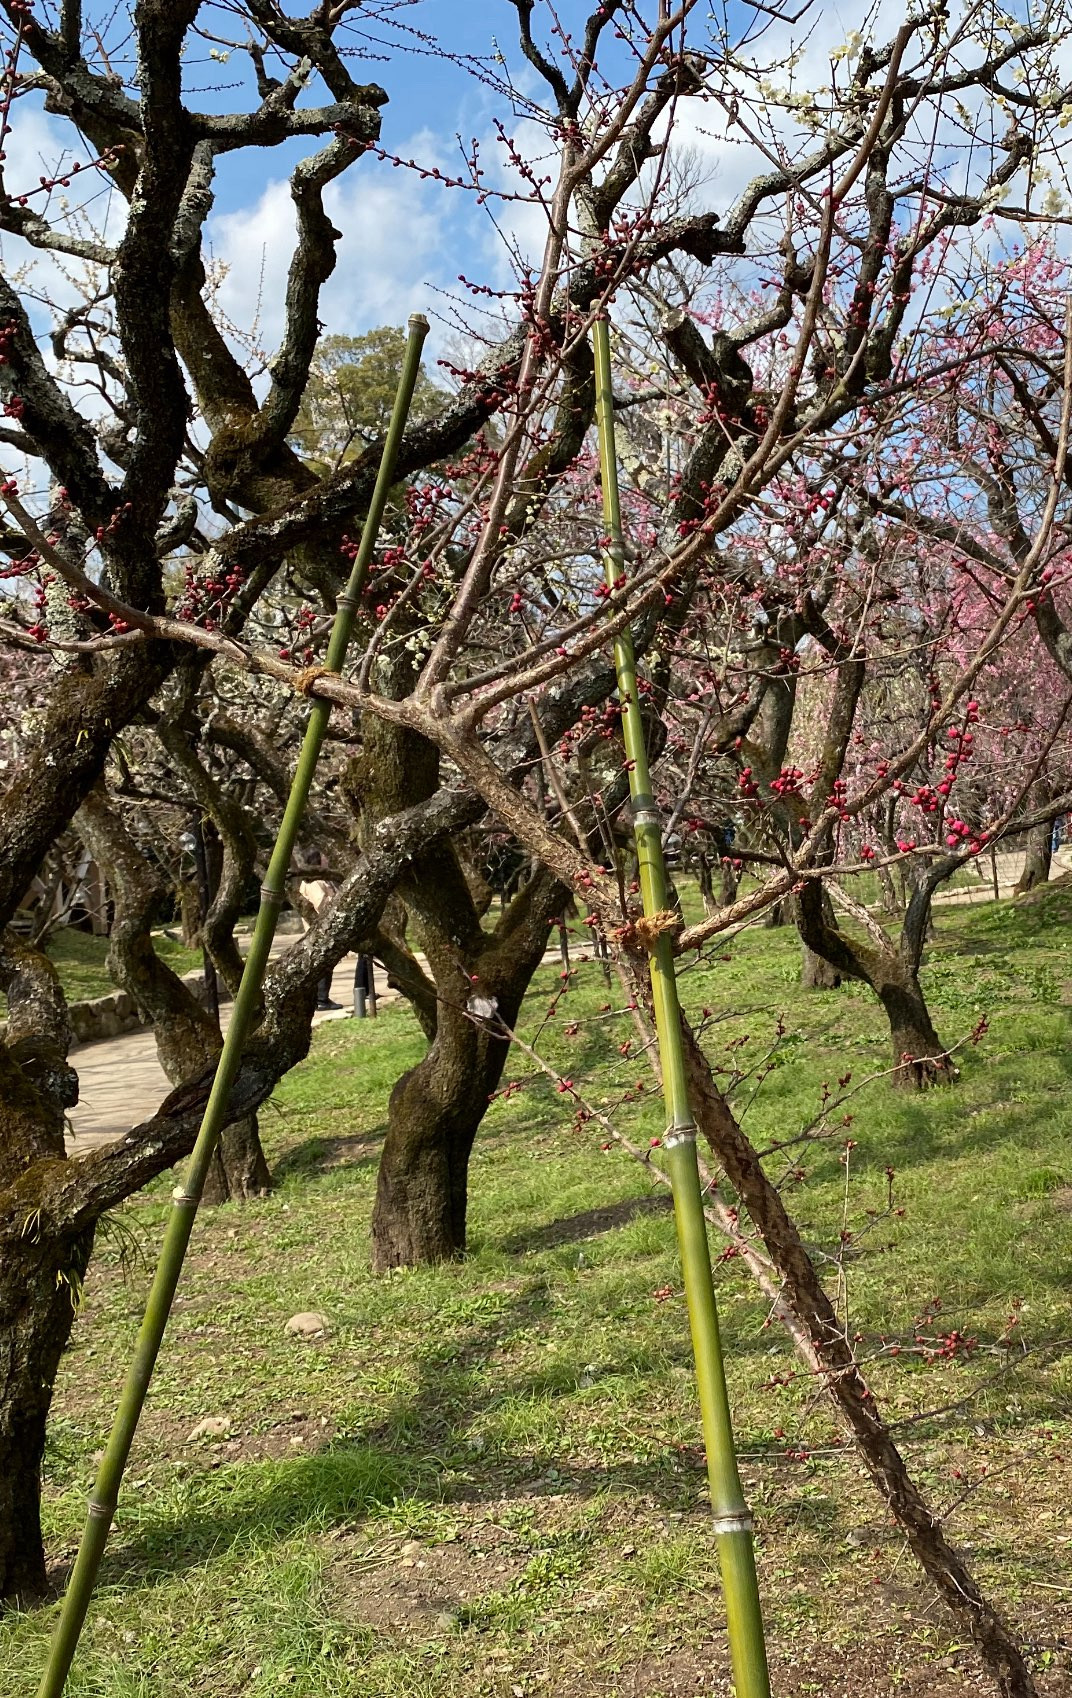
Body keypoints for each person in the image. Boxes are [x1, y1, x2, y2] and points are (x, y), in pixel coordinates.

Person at [298, 854, 342, 1010]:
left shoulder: (319, 880)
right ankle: (321, 999)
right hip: (319, 927)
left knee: (324, 963)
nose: (327, 861)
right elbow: (321, 904)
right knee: (323, 963)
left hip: (321, 927)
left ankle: (322, 998)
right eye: (324, 859)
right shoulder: (314, 883)